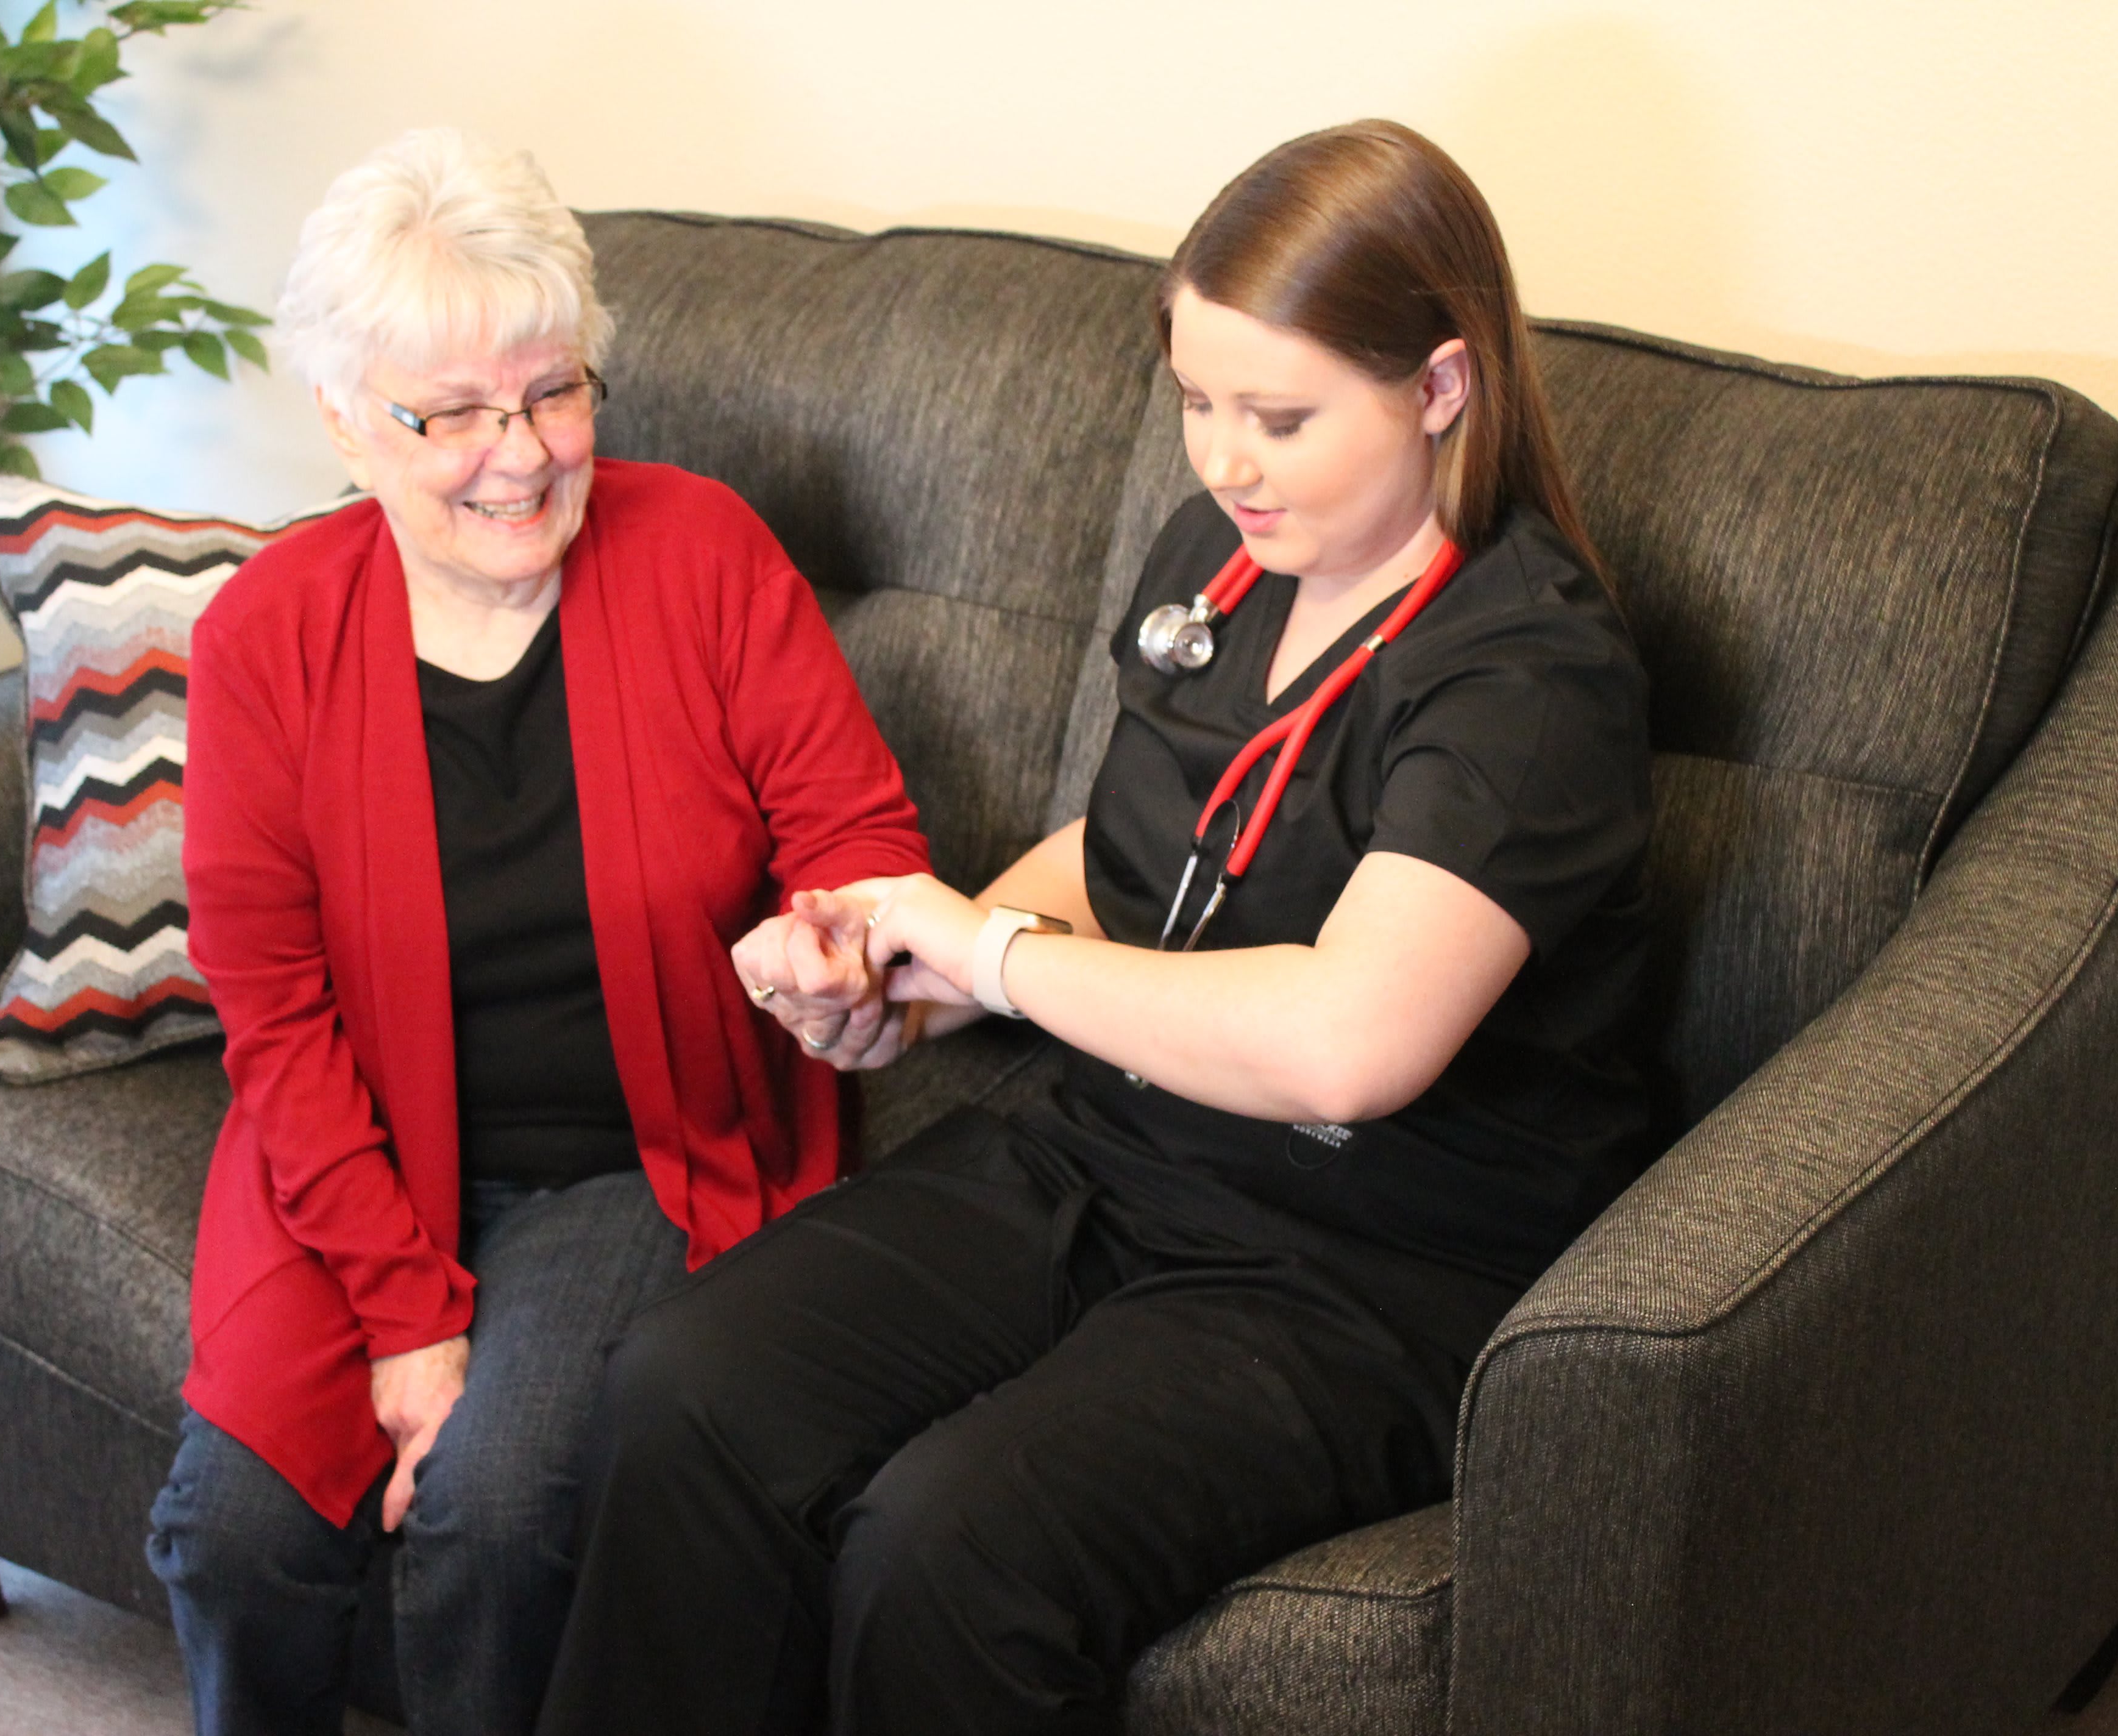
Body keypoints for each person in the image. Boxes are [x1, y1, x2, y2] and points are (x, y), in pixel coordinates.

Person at [533, 119, 1655, 1735]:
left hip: (1374, 1260)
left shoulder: (1529, 676)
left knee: (946, 1548)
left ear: (1443, 385)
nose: (1222, 461)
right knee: (683, 1389)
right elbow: (1123, 851)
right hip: (1114, 1147)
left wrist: (990, 960)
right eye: (1195, 401)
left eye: (1279, 416)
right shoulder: (1227, 555)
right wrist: (912, 971)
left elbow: (1352, 1046)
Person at [143, 129, 927, 1736]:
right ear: (347, 426)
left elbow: (853, 838)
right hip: (351, 1156)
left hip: (638, 1153)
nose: (521, 453)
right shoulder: (265, 641)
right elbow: (274, 1019)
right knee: (233, 1537)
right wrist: (406, 1315)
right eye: (452, 415)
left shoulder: (703, 553)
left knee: (494, 1519)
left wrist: (838, 945)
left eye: (553, 391)